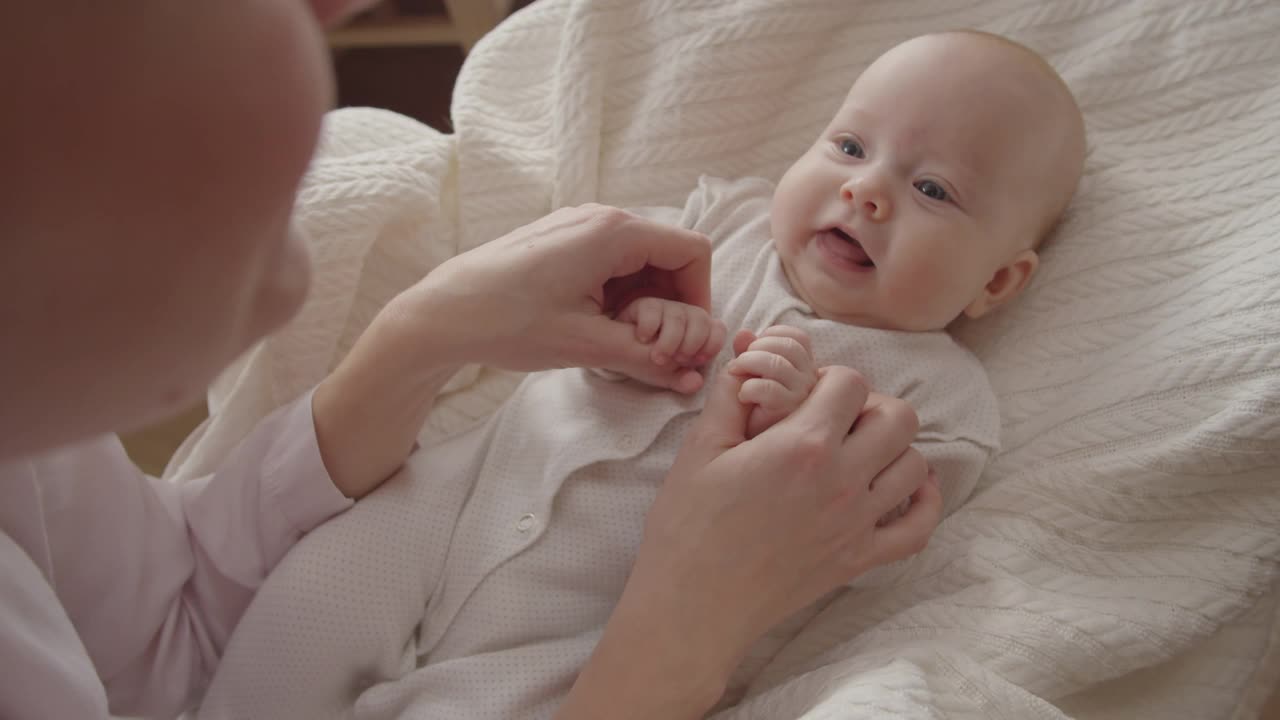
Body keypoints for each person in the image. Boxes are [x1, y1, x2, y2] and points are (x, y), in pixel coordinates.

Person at [0, 2, 940, 719]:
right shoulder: (739, 220)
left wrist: (420, 336)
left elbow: (156, 642)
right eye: (216, 247)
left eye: (936, 188)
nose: (292, 292)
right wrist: (676, 645)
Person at [200, 30, 1086, 720]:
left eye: (933, 190)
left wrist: (796, 428)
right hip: (449, 505)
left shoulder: (942, 396)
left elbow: (879, 544)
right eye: (850, 146)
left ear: (998, 282)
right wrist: (640, 313)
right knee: (307, 601)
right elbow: (594, 289)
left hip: (582, 632)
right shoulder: (722, 228)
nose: (867, 192)